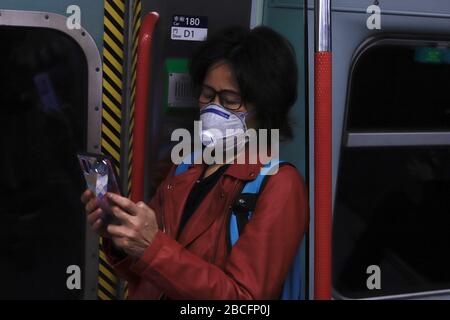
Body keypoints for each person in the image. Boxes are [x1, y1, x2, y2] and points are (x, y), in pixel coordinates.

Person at [81, 26, 309, 299]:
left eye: (230, 100)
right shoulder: (186, 166)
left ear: (264, 108)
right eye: (207, 95)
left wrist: (153, 247)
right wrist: (121, 237)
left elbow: (243, 300)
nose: (214, 108)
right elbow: (150, 274)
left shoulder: (279, 184)